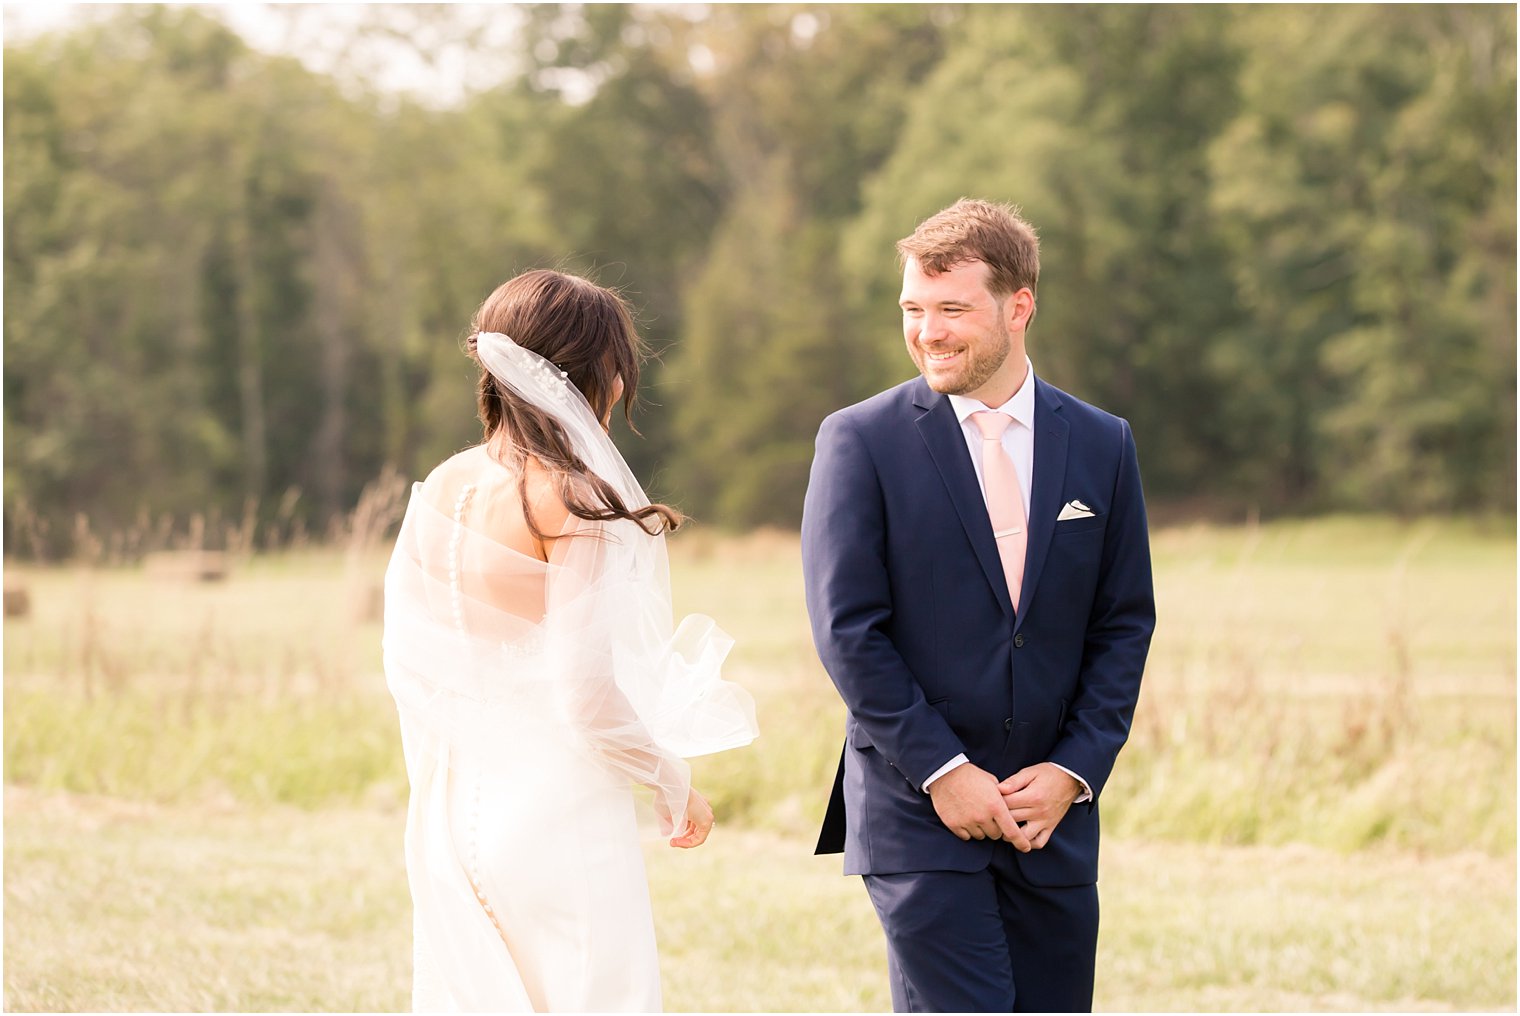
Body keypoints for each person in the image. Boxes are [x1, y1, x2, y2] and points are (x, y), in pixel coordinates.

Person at [802, 199, 1155, 1012]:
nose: (928, 332)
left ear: (1019, 306)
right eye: (913, 311)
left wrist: (1073, 772)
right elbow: (848, 632)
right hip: (918, 813)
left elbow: (1123, 624)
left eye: (951, 310)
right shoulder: (860, 440)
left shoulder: (1104, 444)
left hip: (1051, 822)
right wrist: (945, 773)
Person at [383, 269, 758, 1012]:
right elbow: (583, 696)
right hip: (558, 813)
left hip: (453, 812)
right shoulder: (574, 497)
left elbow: (410, 661)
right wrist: (672, 780)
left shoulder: (445, 485)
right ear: (597, 379)